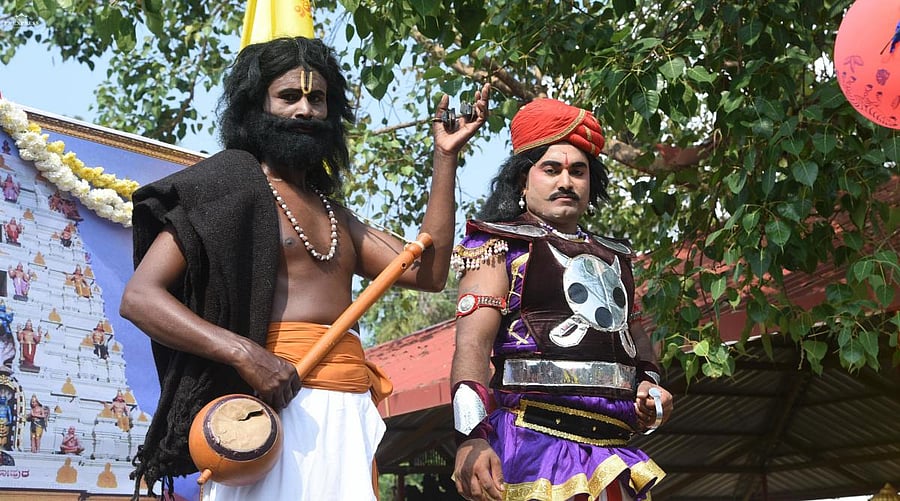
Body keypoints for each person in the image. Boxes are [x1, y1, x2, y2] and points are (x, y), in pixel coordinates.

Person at [119, 36, 489, 500]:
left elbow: (429, 273)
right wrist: (245, 355)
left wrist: (446, 158)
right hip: (270, 411)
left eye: (317, 99)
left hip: (349, 409)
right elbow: (139, 298)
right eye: (289, 96)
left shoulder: (336, 214)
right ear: (257, 107)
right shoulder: (229, 186)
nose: (305, 110)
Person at [449, 99, 674, 501]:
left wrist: (652, 390)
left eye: (578, 171)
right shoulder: (498, 245)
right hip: (531, 447)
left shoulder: (615, 255)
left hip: (613, 455)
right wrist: (470, 437)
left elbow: (639, 346)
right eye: (551, 170)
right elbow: (472, 345)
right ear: (523, 180)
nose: (566, 182)